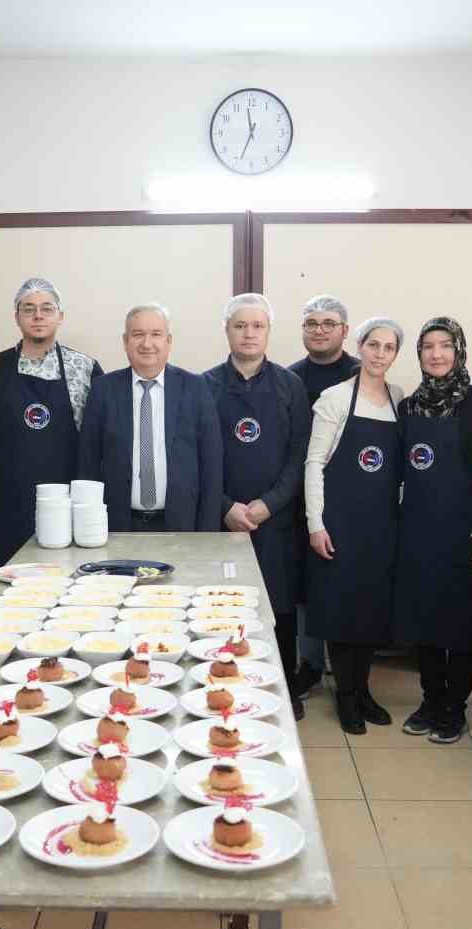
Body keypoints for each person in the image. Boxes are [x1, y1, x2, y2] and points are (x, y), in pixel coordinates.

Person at [203, 294, 312, 713]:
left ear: (268, 331)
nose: (249, 333)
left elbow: (299, 455)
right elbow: (196, 459)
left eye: (257, 326)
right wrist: (224, 506)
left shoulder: (290, 385)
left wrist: (269, 504)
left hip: (275, 520)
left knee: (278, 610)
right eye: (240, 325)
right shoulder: (204, 385)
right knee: (224, 608)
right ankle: (223, 687)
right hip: (223, 521)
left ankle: (282, 692)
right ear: (227, 330)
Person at [394, 317, 472, 743]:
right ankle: (430, 699)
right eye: (427, 347)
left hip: (465, 532)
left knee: (462, 622)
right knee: (426, 619)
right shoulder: (407, 406)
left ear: (459, 351)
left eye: (445, 346)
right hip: (419, 529)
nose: (436, 354)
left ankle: (455, 706)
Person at [305, 317, 405, 734]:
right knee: (341, 613)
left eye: (389, 348)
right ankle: (346, 695)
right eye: (374, 345)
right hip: (339, 522)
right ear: (360, 346)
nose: (380, 354)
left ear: (396, 355)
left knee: (371, 613)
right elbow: (314, 464)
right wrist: (316, 523)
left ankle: (363, 691)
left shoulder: (399, 398)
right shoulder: (334, 398)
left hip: (381, 525)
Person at [0, 278, 103, 568]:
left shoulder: (85, 368)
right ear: (17, 317)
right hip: (7, 506)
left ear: (60, 316)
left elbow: (100, 447)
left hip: (69, 508)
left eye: (46, 308)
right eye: (29, 309)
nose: (38, 316)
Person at [79, 303, 223, 532]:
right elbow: (87, 463)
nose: (147, 343)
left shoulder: (195, 387)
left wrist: (207, 534)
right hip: (116, 526)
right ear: (125, 342)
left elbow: (212, 467)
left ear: (169, 341)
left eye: (156, 334)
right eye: (138, 335)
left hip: (181, 527)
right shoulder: (103, 389)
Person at [285, 294, 358, 698]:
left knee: (348, 584)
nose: (319, 330)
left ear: (345, 331)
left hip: (352, 500)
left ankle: (349, 674)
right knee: (305, 587)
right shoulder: (291, 378)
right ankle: (310, 663)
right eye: (311, 323)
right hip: (302, 499)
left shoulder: (362, 375)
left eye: (328, 323)